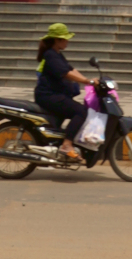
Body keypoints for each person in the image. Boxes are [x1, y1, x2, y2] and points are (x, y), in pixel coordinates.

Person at [34, 22, 91, 161]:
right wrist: (87, 82)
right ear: (56, 40)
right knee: (82, 111)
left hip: (54, 94)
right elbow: (66, 73)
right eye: (64, 38)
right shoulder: (51, 56)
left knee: (72, 110)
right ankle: (67, 145)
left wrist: (90, 81)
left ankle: (57, 144)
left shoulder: (57, 54)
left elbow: (71, 70)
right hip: (48, 96)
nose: (67, 41)